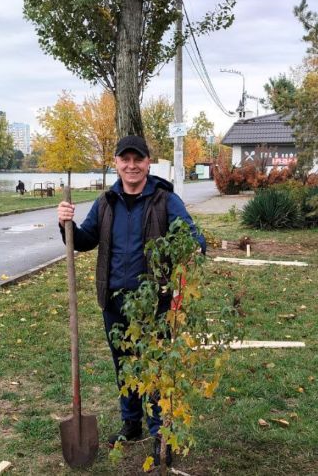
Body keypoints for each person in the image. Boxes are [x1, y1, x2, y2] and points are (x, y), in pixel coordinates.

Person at [57, 135, 206, 466]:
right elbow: (83, 241)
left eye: (137, 159)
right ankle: (131, 423)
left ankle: (158, 433)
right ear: (116, 164)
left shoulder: (165, 200)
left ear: (148, 162)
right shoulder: (106, 202)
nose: (132, 165)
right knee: (124, 365)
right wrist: (65, 222)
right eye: (125, 159)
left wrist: (194, 247)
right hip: (114, 302)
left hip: (155, 304)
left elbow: (193, 237)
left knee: (152, 368)